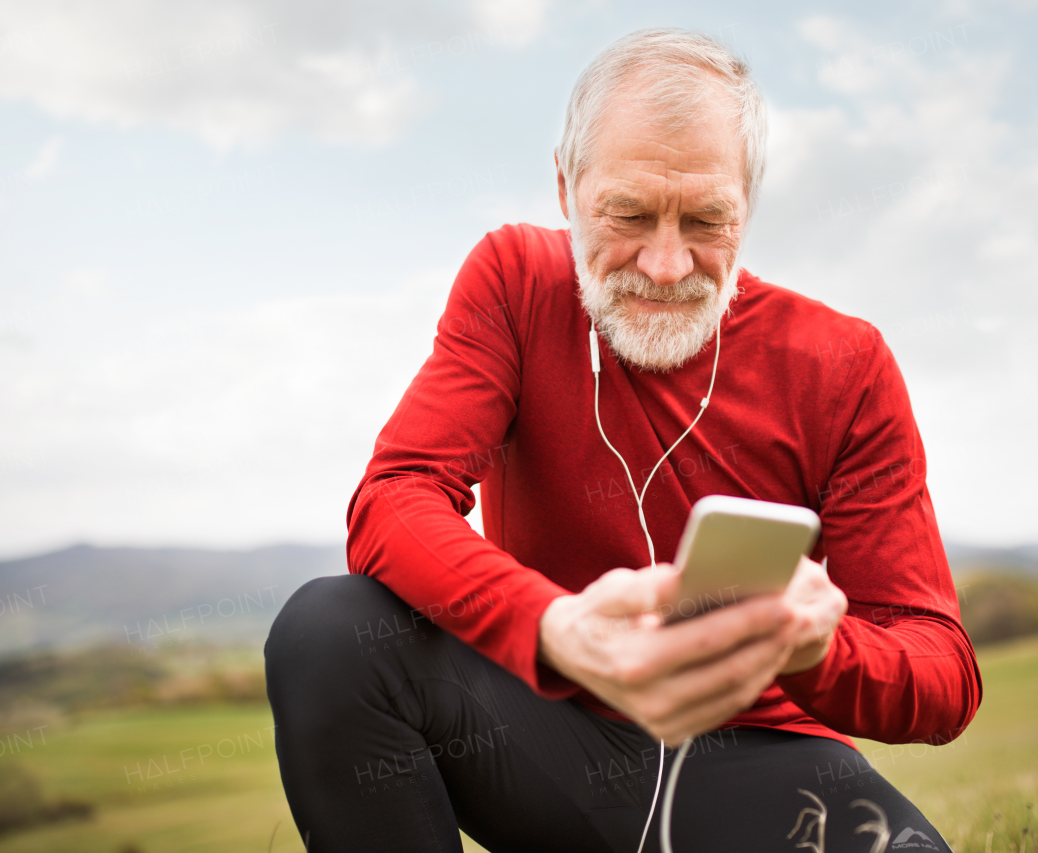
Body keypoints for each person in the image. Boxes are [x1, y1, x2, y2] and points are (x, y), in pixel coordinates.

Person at [266, 27, 982, 853]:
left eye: (707, 219)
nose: (669, 264)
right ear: (567, 189)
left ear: (747, 204)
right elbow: (394, 500)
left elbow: (943, 675)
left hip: (761, 757)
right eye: (630, 214)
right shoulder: (514, 281)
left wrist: (815, 645)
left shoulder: (843, 363)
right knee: (330, 630)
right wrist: (557, 628)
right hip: (549, 735)